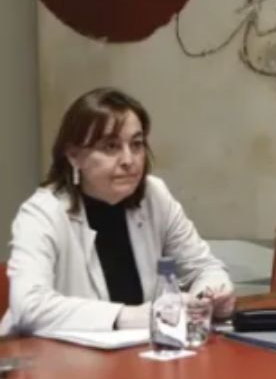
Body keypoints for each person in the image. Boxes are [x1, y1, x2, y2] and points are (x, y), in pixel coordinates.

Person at [1, 89, 234, 336]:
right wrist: (132, 316)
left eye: (136, 144)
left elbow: (203, 268)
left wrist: (208, 297)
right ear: (74, 156)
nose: (128, 160)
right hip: (47, 355)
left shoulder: (154, 196)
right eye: (111, 146)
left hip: (138, 353)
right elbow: (29, 306)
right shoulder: (42, 213)